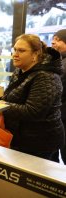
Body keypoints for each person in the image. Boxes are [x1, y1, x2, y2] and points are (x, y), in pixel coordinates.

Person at [0, 34, 65, 162]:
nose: (15, 54)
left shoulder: (46, 76)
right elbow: (9, 94)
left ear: (35, 54)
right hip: (21, 138)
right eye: (15, 49)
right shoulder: (20, 70)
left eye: (21, 51)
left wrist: (3, 106)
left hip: (41, 142)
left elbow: (34, 111)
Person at [52, 29, 66, 164]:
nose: (53, 42)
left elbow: (57, 88)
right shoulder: (61, 61)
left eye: (57, 39)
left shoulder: (63, 64)